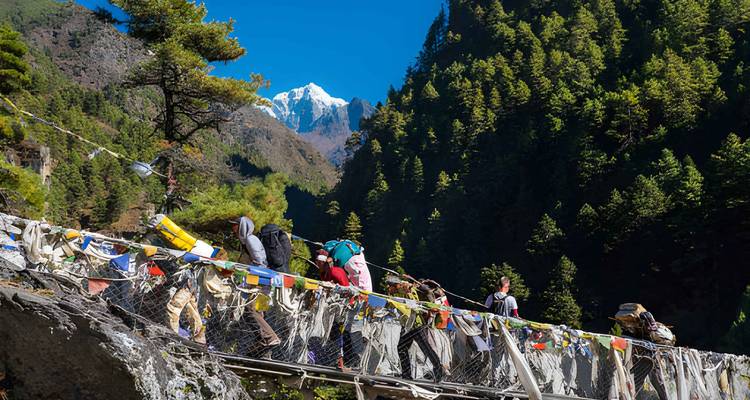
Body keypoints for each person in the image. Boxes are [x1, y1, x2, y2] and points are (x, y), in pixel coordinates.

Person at [230, 216, 280, 351]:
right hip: (259, 280)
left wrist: (249, 276)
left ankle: (270, 337)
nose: (233, 228)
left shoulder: (251, 240)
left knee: (251, 310)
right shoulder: (245, 241)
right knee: (257, 311)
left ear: (242, 226)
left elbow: (259, 261)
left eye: (235, 225)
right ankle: (263, 343)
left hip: (259, 280)